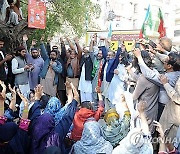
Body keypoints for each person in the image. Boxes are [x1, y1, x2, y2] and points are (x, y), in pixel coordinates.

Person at [30, 82, 79, 154]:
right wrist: (75, 99)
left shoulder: (32, 129)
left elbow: (35, 115)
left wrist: (37, 99)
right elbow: (67, 118)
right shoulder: (54, 136)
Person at [0, 80, 30, 154]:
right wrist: (26, 105)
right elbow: (23, 124)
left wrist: (2, 100)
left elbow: (1, 118)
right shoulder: (17, 142)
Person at [133, 50, 159, 133]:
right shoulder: (154, 72)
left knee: (143, 138)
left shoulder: (143, 78)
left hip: (144, 112)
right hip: (153, 110)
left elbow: (134, 97)